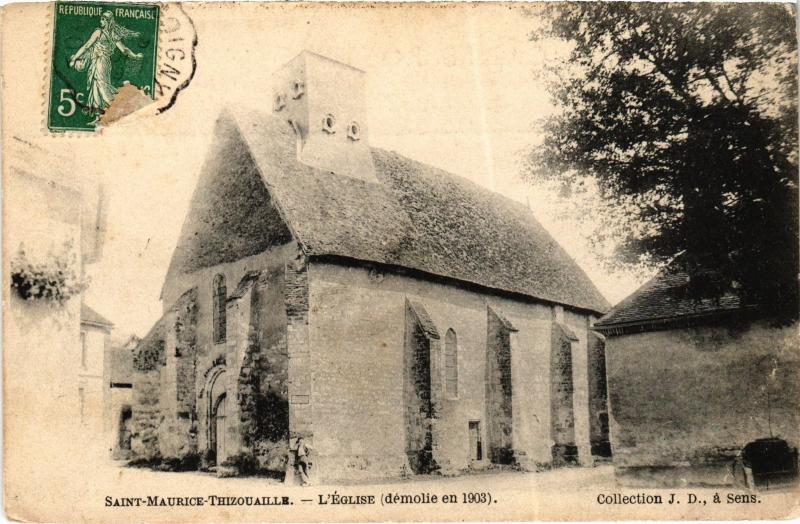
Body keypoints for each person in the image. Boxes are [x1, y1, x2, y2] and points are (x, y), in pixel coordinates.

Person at [69, 11, 143, 122]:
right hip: (102, 62)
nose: (101, 21)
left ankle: (121, 108)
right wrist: (135, 56)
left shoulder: (98, 32)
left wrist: (74, 58)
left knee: (102, 87)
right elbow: (124, 50)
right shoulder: (113, 34)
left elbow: (87, 46)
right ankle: (99, 118)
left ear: (107, 21)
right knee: (96, 87)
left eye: (103, 19)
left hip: (100, 62)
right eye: (101, 19)